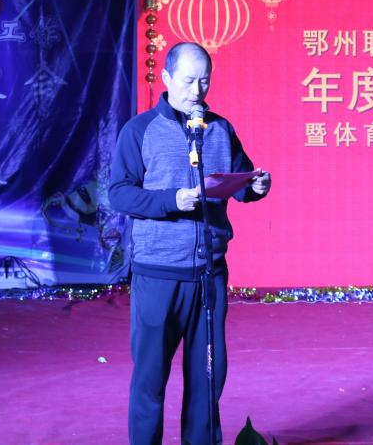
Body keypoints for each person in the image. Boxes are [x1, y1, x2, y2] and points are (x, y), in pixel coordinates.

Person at [109, 42, 271, 445]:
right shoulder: (140, 130)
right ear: (166, 78)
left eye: (204, 81)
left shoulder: (220, 129)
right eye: (187, 81)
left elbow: (239, 181)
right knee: (150, 380)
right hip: (159, 275)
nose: (197, 90)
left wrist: (255, 187)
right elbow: (119, 194)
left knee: (207, 380)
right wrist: (172, 200)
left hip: (209, 275)